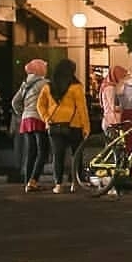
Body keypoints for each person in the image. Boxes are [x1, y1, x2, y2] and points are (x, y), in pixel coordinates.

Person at [37, 59, 90, 193]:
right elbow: (82, 108)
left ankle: (58, 184)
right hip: (74, 125)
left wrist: (46, 118)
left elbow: (40, 105)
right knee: (76, 155)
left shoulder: (48, 87)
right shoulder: (76, 87)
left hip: (54, 125)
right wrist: (86, 127)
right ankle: (75, 182)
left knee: (57, 156)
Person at [12, 59, 49, 192]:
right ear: (40, 70)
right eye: (44, 67)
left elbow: (15, 102)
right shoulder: (44, 83)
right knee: (43, 151)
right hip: (38, 119)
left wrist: (23, 113)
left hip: (26, 120)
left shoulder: (25, 84)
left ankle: (27, 181)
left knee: (31, 152)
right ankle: (33, 181)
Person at [99, 65, 128, 133]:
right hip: (112, 122)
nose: (121, 80)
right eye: (121, 77)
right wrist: (123, 107)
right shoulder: (110, 88)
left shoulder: (107, 85)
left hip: (109, 121)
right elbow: (113, 107)